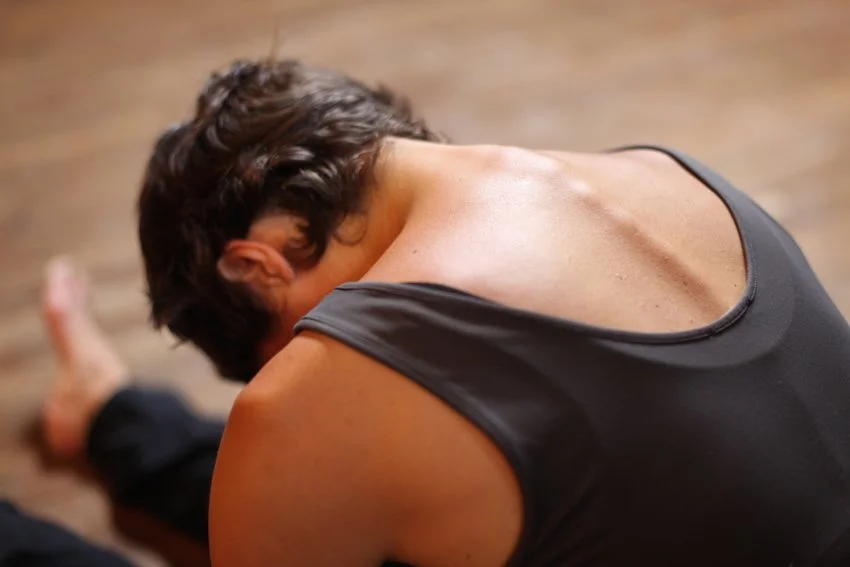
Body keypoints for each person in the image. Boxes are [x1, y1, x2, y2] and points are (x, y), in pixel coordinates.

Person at [6, 55, 850, 566]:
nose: (304, 357)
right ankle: (112, 412)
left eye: (280, 347)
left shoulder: (311, 402)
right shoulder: (670, 173)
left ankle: (106, 421)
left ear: (254, 266)